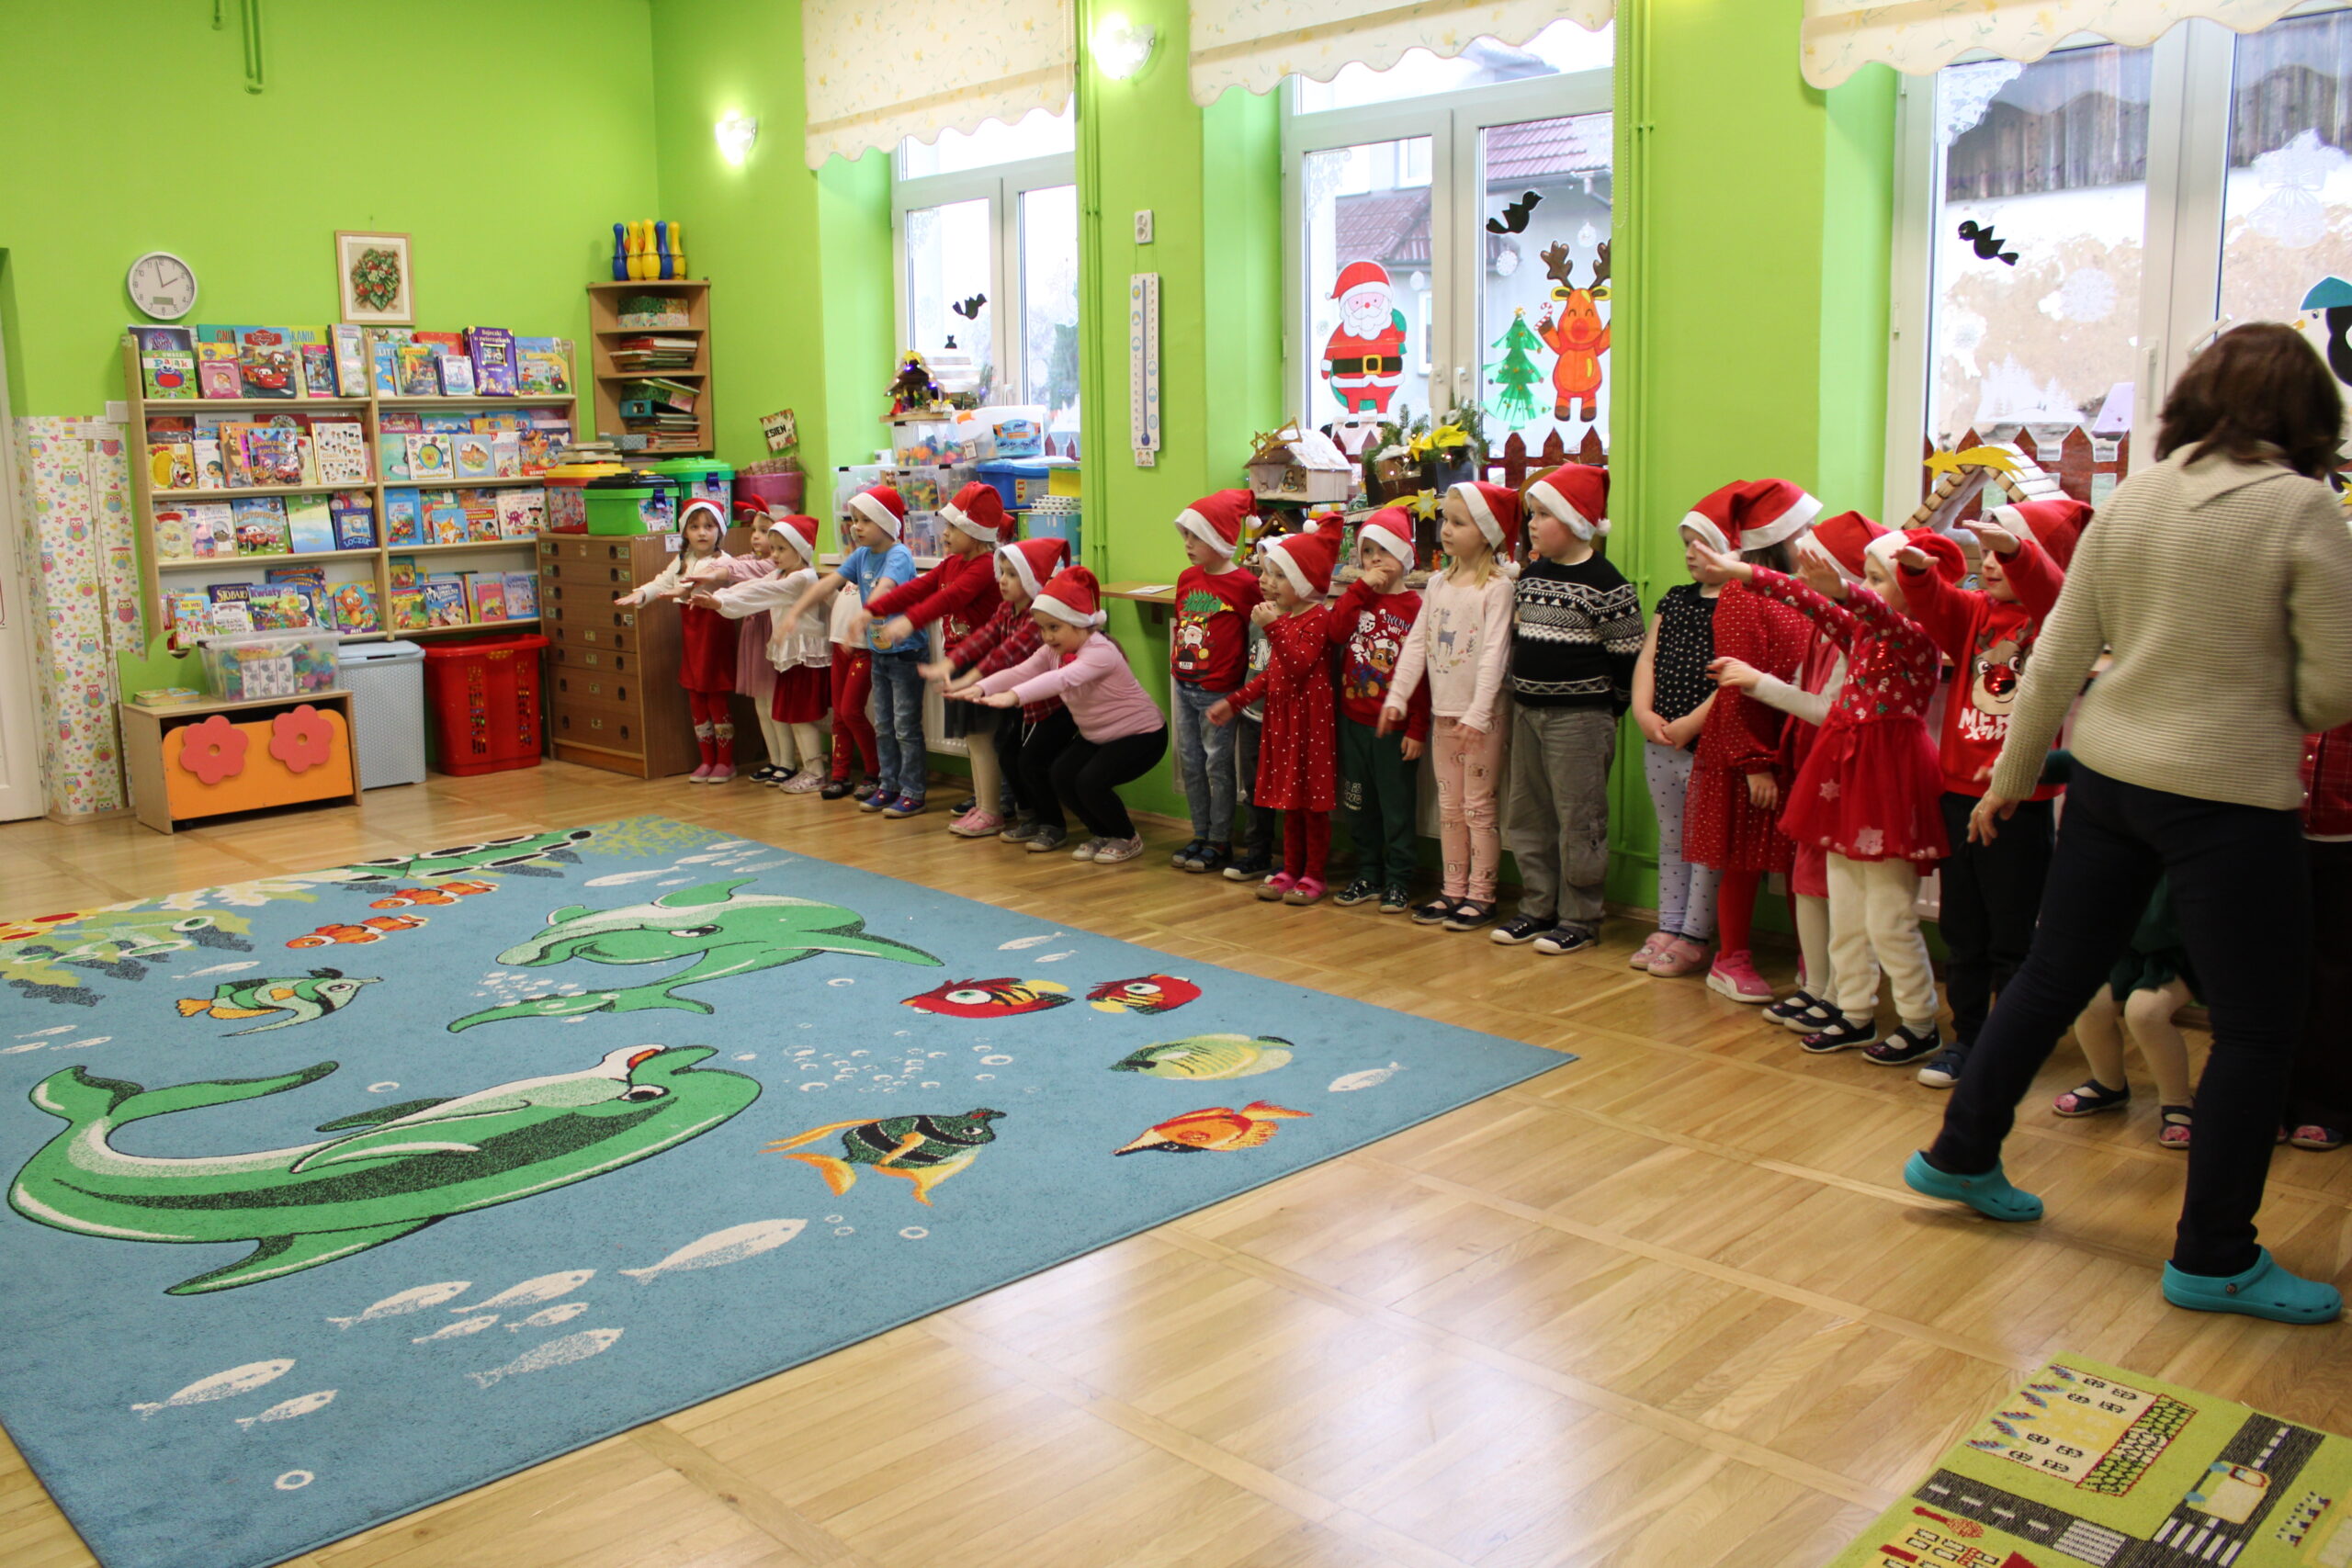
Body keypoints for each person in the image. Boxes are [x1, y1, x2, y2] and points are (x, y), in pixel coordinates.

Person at [1905, 322, 2352, 1325]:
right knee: (2257, 1026)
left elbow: (2055, 658)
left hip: (2109, 778)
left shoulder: (2138, 497)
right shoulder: (2300, 510)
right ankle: (2214, 1256)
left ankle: (1959, 1153)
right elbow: (2332, 692)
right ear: (2308, 416)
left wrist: (2010, 779)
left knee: (2051, 974)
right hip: (2230, 797)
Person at [1705, 527, 1960, 1061]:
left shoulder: (1918, 638)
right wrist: (1744, 572)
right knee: (1844, 910)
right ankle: (1854, 1012)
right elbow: (1814, 603)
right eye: (1866, 577)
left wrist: (1846, 591)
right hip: (1845, 781)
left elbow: (1876, 613)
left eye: (1877, 578)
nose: (1864, 587)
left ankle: (1919, 1022)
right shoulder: (1861, 634)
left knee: (1889, 918)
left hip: (1889, 785)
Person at [1892, 496, 2086, 1088]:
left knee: (2010, 935)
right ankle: (1969, 1038)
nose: (1993, 563)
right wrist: (1917, 573)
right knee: (1963, 930)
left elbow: (2054, 594)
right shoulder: (1976, 611)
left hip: (2018, 804)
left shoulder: (2057, 619)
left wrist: (2020, 552)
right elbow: (1935, 602)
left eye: (2008, 553)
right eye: (1989, 553)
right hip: (1957, 796)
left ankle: (2010, 1043)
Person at [1739, 513, 1885, 1025]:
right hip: (1812, 770)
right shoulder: (1818, 630)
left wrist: (1757, 683)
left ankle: (1846, 994)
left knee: (1839, 889)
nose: (1800, 577)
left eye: (1811, 567)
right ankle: (1816, 986)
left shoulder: (1856, 638)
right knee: (1806, 881)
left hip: (1843, 775)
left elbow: (1827, 708)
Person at [1494, 463, 1644, 955]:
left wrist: (1606, 712)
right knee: (1528, 816)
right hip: (1527, 712)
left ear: (1576, 522)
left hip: (1579, 721)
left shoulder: (1608, 586)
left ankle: (1580, 916)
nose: (1532, 524)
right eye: (1531, 514)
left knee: (1580, 820)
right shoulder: (1532, 576)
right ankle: (1537, 906)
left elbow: (1629, 662)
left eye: (1543, 514)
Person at [1678, 479, 1818, 1001]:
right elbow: (1734, 683)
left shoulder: (1797, 590)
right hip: (1747, 747)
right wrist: (1753, 762)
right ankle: (1731, 957)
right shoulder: (1741, 595)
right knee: (1742, 857)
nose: (1812, 538)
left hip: (1792, 741)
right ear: (1778, 538)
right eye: (1804, 529)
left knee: (1799, 859)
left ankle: (1814, 958)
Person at [1384, 481, 1519, 931]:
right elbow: (1416, 645)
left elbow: (1495, 653)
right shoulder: (1438, 583)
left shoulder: (1497, 588)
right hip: (1444, 715)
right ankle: (1453, 889)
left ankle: (1482, 896)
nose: (1446, 529)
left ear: (1487, 533)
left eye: (1459, 523)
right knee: (1450, 807)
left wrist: (1478, 713)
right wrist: (1398, 696)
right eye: (1446, 519)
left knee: (1478, 807)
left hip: (1482, 719)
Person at [970, 566, 1169, 865]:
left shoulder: (1101, 651)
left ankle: (1126, 836)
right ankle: (1101, 833)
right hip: (1098, 735)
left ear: (1079, 623)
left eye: (1054, 627)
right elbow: (1021, 671)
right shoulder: (1053, 651)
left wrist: (1014, 696)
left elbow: (1061, 680)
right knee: (1061, 775)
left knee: (1090, 780)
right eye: (1042, 628)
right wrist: (981, 687)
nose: (1047, 636)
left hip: (1142, 735)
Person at [859, 482, 1016, 836]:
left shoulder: (983, 567)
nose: (944, 534)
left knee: (983, 739)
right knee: (975, 740)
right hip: (960, 661)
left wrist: (908, 622)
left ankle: (992, 809)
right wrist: (875, 609)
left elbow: (949, 599)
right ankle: (985, 804)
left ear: (974, 533)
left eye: (952, 527)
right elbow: (919, 588)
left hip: (984, 666)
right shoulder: (953, 563)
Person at [1212, 524, 1341, 905]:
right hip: (1282, 723)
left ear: (1304, 581)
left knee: (1311, 806)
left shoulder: (1318, 618)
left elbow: (1299, 665)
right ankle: (1289, 869)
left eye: (1281, 575)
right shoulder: (1286, 618)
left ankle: (1314, 875)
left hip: (1310, 725)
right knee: (1289, 803)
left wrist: (1273, 627)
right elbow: (1272, 675)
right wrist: (1236, 701)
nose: (1270, 582)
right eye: (1269, 573)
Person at [784, 486, 926, 815]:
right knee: (885, 726)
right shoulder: (861, 555)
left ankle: (913, 791)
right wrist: (796, 610)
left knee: (905, 728)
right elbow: (828, 582)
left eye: (865, 520)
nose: (856, 527)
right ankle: (888, 785)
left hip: (905, 654)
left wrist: (864, 615)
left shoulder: (899, 555)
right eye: (854, 519)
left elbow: (886, 587)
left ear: (886, 523)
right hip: (879, 653)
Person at [1628, 522, 1727, 976]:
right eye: (1687, 544)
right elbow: (1648, 658)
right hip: (1662, 739)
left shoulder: (1739, 606)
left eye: (1702, 545)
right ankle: (1668, 925)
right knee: (1672, 838)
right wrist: (1643, 712)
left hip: (1706, 745)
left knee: (1704, 845)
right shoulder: (1674, 599)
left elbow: (1735, 679)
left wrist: (1692, 724)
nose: (1690, 553)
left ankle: (1694, 935)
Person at [931, 537, 1072, 851]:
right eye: (1002, 572)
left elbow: (1008, 652)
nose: (1002, 580)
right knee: (1010, 757)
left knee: (1029, 761)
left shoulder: (1038, 615)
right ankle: (1028, 816)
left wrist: (970, 679)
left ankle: (1051, 823)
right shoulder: (1007, 609)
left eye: (1012, 574)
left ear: (1031, 579)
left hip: (1047, 705)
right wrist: (953, 661)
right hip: (1020, 701)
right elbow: (984, 637)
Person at [1328, 507, 1428, 913]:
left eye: (1383, 550)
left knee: (1396, 807)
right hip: (1353, 721)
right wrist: (1359, 589)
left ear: (1402, 554)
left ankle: (1399, 879)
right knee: (1357, 802)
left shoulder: (1416, 607)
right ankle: (1367, 873)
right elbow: (1336, 631)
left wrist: (1418, 728)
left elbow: (1424, 674)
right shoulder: (1358, 599)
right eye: (1367, 552)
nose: (1374, 560)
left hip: (1395, 729)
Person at [696, 512, 832, 794]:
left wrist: (720, 603)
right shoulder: (781, 572)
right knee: (794, 717)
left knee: (802, 717)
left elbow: (766, 593)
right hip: (790, 658)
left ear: (801, 550)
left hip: (806, 658)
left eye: (782, 549)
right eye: (774, 548)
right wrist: (719, 598)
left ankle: (816, 772)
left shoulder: (802, 577)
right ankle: (811, 768)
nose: (775, 555)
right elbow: (753, 585)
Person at [1168, 490, 1263, 875]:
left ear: (1219, 537)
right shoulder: (1187, 579)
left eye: (1196, 536)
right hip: (1184, 684)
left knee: (1217, 766)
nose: (1187, 544)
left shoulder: (1245, 585)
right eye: (1185, 536)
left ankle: (1220, 840)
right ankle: (1200, 832)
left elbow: (1255, 636)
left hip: (1219, 692)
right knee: (1190, 762)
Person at [613, 498, 741, 784]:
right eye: (694, 527)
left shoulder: (724, 561)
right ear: (685, 532)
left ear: (719, 530)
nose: (702, 532)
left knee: (716, 696)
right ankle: (706, 760)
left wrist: (683, 590)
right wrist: (642, 593)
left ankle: (725, 761)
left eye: (708, 526)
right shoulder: (683, 560)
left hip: (714, 636)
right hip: (692, 636)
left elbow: (705, 583)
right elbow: (663, 582)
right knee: (696, 697)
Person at [2287, 720, 2352, 1150]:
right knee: (2271, 975)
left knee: (2337, 981)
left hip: (2345, 842)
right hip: (2278, 833)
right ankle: (2269, 1099)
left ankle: (2326, 1107)